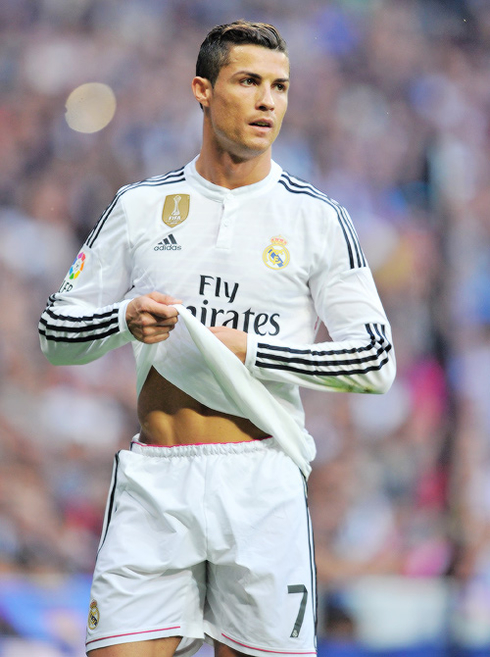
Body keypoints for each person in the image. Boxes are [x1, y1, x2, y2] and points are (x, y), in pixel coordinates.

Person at [39, 20, 396, 657]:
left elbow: (375, 360)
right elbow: (54, 332)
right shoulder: (140, 206)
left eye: (280, 87)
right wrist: (123, 319)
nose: (268, 101)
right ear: (202, 90)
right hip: (156, 481)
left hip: (261, 485)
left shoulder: (316, 218)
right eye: (249, 82)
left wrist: (251, 352)